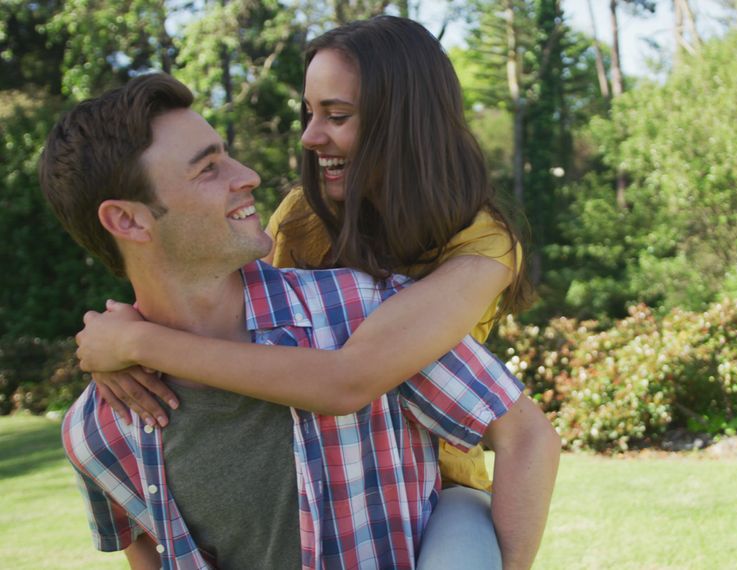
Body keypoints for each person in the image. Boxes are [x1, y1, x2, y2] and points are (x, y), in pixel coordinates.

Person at [43, 73, 560, 569]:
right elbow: (146, 551)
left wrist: (138, 340)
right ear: (127, 220)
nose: (248, 176)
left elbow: (523, 434)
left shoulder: (367, 310)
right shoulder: (95, 433)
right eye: (208, 168)